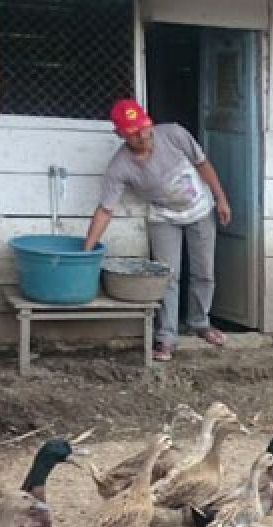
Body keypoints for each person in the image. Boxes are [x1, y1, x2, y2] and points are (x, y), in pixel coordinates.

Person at [82, 99, 231, 362]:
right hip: (164, 217)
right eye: (133, 132)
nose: (142, 135)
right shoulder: (120, 165)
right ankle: (166, 337)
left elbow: (202, 164)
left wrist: (220, 198)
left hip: (199, 209)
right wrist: (86, 250)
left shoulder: (173, 133)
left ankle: (200, 322)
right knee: (166, 276)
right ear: (120, 134)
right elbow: (106, 209)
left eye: (144, 127)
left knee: (204, 271)